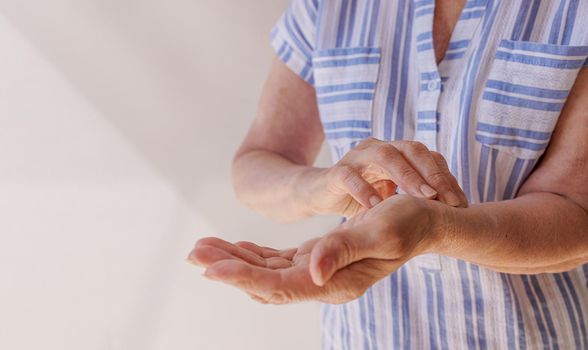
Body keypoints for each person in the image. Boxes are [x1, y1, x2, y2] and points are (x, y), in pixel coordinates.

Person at [188, 0, 588, 348]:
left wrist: (438, 229)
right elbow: (260, 160)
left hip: (533, 337)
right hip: (362, 337)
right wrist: (326, 185)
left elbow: (576, 211)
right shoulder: (326, 6)